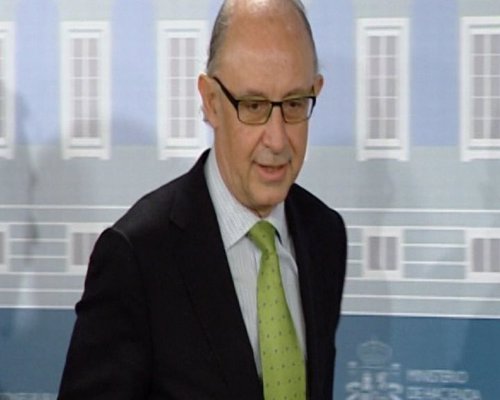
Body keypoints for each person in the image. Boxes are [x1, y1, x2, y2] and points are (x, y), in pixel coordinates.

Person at [57, 0, 347, 399]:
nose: (278, 139)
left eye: (294, 104)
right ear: (211, 101)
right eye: (254, 106)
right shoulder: (137, 257)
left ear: (316, 91)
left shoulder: (325, 234)